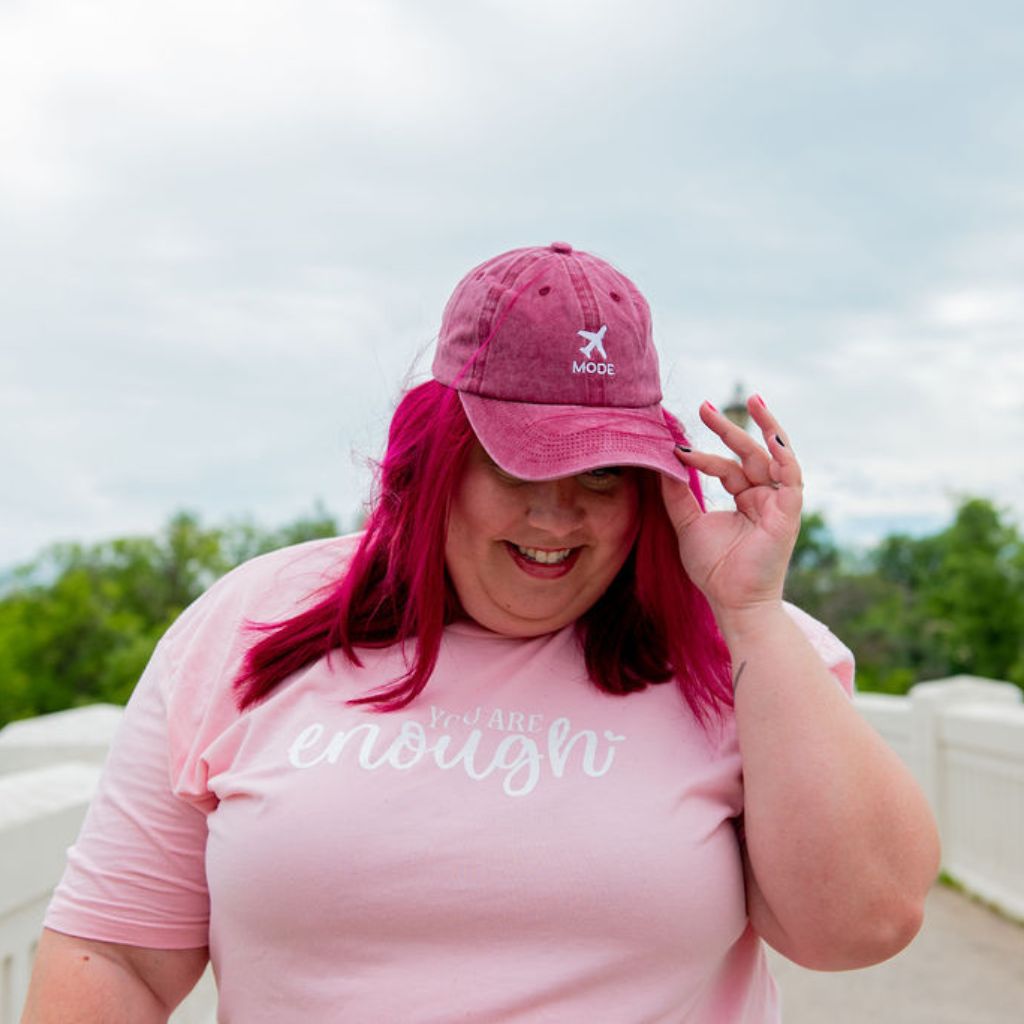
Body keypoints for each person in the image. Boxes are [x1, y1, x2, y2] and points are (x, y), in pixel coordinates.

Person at [22, 242, 940, 1023]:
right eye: (516, 464)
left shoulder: (750, 648)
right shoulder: (256, 619)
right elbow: (118, 956)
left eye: (603, 476)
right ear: (436, 460)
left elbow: (859, 926)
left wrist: (749, 615)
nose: (557, 517)